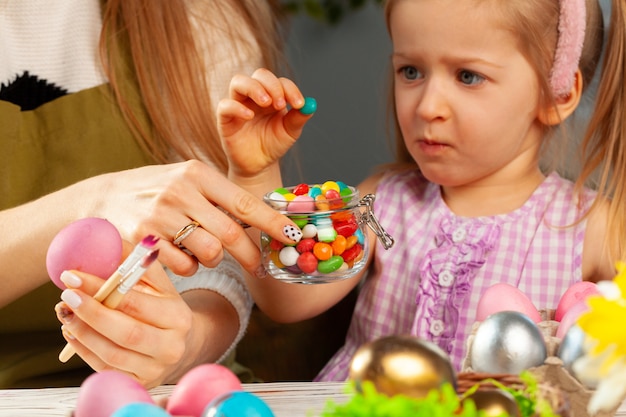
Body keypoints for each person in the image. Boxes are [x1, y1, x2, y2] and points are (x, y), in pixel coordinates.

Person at [216, 0, 626, 380]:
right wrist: (255, 174)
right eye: (411, 71)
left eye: (468, 76)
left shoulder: (592, 229)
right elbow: (286, 299)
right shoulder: (382, 203)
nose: (428, 106)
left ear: (558, 94)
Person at [0, 0, 304, 389]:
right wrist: (92, 203)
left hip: (174, 392)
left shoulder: (196, 11)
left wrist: (190, 340)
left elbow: (219, 261)